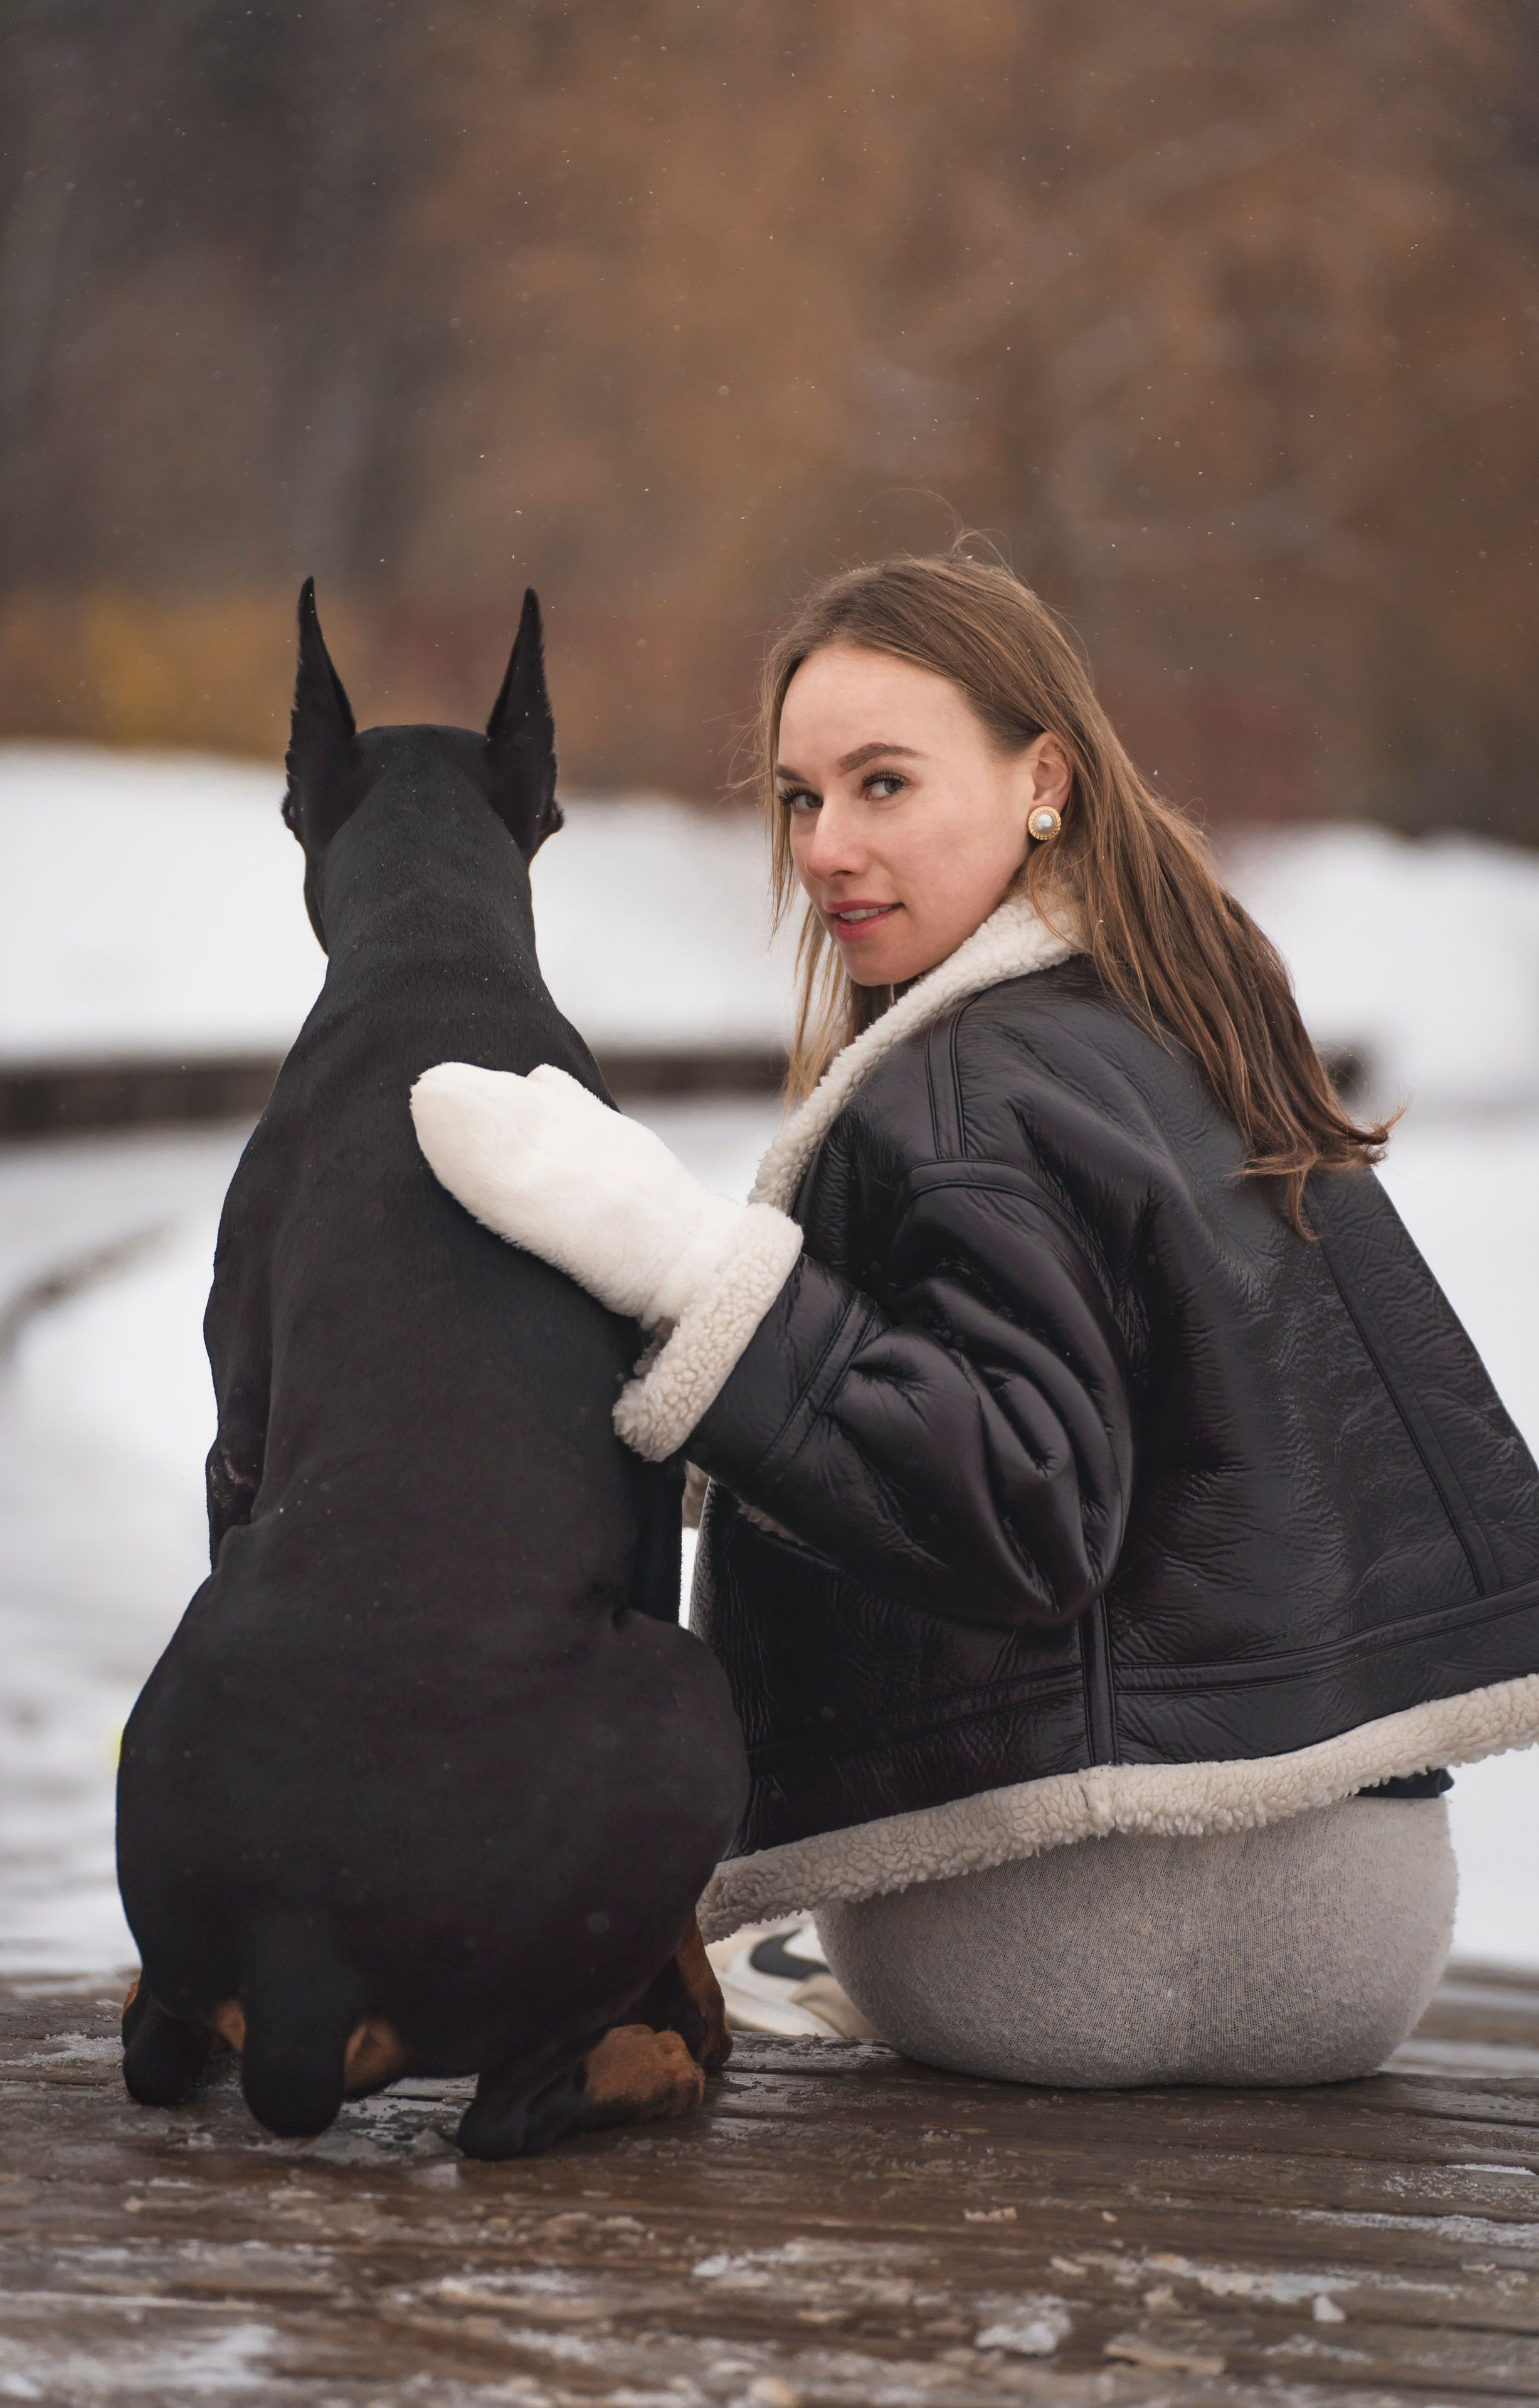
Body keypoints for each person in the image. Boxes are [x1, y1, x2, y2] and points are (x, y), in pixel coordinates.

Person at [410, 552, 1539, 2088]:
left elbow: (1022, 1510)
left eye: (882, 784)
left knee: (656, 1972)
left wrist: (684, 1266)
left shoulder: (961, 1081)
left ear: (1042, 781)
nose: (825, 847)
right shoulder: (1190, 1019)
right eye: (800, 799)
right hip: (1353, 1945)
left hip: (1075, 1942)